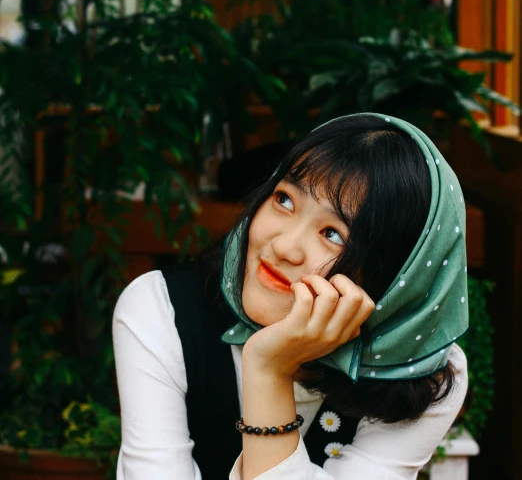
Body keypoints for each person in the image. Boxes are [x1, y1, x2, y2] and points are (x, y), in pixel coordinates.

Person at [112, 112, 469, 480]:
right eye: (284, 200)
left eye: (333, 234)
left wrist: (267, 370)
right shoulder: (162, 309)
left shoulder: (422, 375)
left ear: (398, 280)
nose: (284, 247)